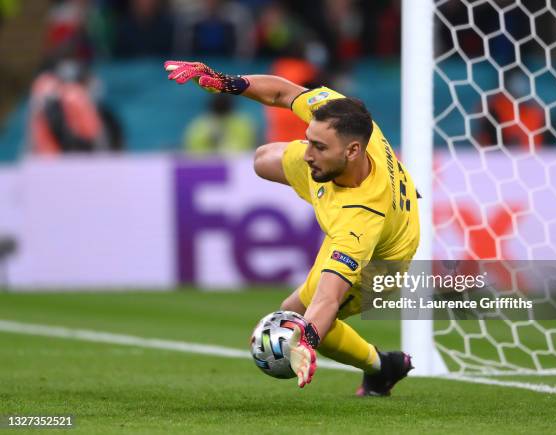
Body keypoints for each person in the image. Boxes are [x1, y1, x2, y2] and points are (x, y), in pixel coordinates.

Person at [165, 59, 419, 396]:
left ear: (353, 150)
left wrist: (306, 340)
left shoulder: (358, 222)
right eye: (308, 141)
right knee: (263, 159)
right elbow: (284, 93)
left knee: (294, 317)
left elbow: (328, 299)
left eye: (319, 147)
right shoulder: (342, 118)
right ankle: (381, 366)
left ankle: (383, 367)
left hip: (380, 263)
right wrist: (228, 82)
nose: (308, 153)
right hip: (356, 193)